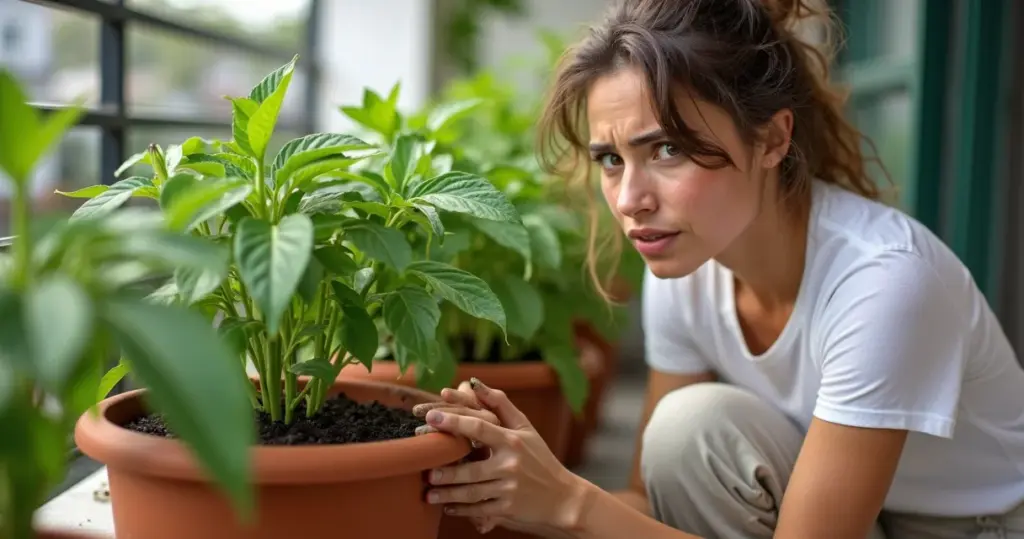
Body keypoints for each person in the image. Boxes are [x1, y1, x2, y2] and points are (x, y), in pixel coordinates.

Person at [410, 0, 1024, 537]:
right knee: (691, 433)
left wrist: (570, 503)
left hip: (978, 529)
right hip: (866, 520)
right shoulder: (689, 264)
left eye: (668, 149)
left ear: (772, 140)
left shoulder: (885, 283)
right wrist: (521, 483)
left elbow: (602, 514)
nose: (629, 200)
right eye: (611, 159)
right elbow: (648, 503)